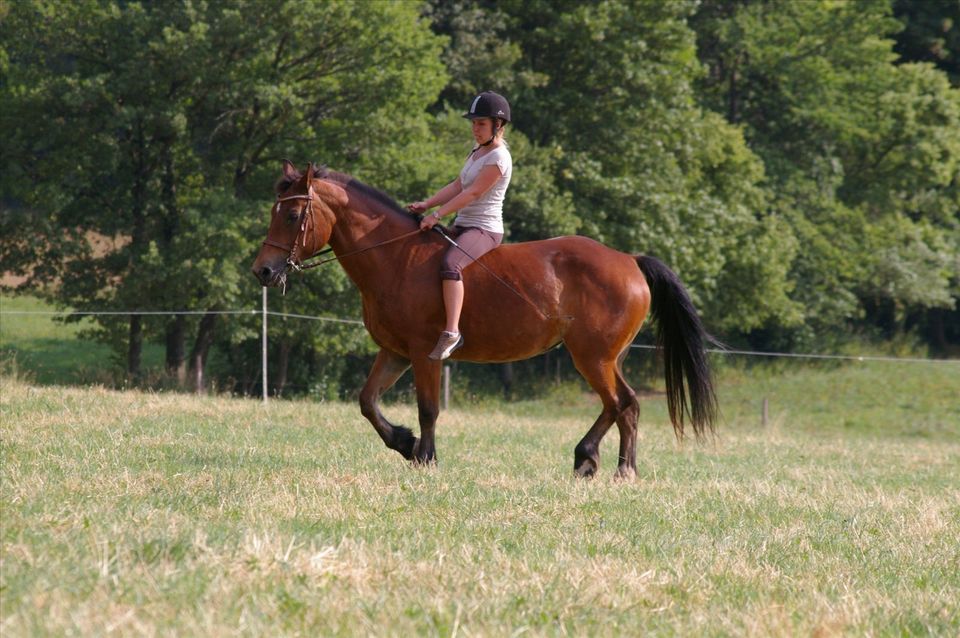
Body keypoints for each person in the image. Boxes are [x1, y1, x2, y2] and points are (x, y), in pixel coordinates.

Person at [408, 91, 513, 360]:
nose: (475, 129)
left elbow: (473, 193)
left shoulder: (498, 158)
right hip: (463, 224)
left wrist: (438, 215)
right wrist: (427, 204)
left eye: (481, 124)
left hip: (484, 230)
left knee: (451, 264)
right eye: (473, 123)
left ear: (497, 126)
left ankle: (452, 332)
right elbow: (458, 185)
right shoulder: (478, 152)